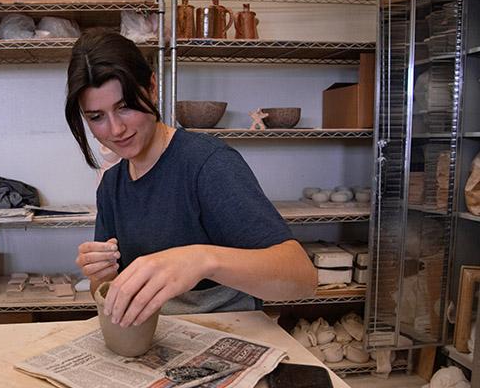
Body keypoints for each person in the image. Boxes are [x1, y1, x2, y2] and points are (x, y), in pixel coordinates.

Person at [65, 28, 317, 329]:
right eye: (96, 117)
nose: (116, 129)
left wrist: (202, 260)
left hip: (225, 332)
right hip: (156, 338)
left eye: (125, 107)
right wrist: (101, 276)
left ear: (153, 88)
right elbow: (105, 292)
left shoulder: (208, 164)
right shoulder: (112, 185)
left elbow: (303, 278)